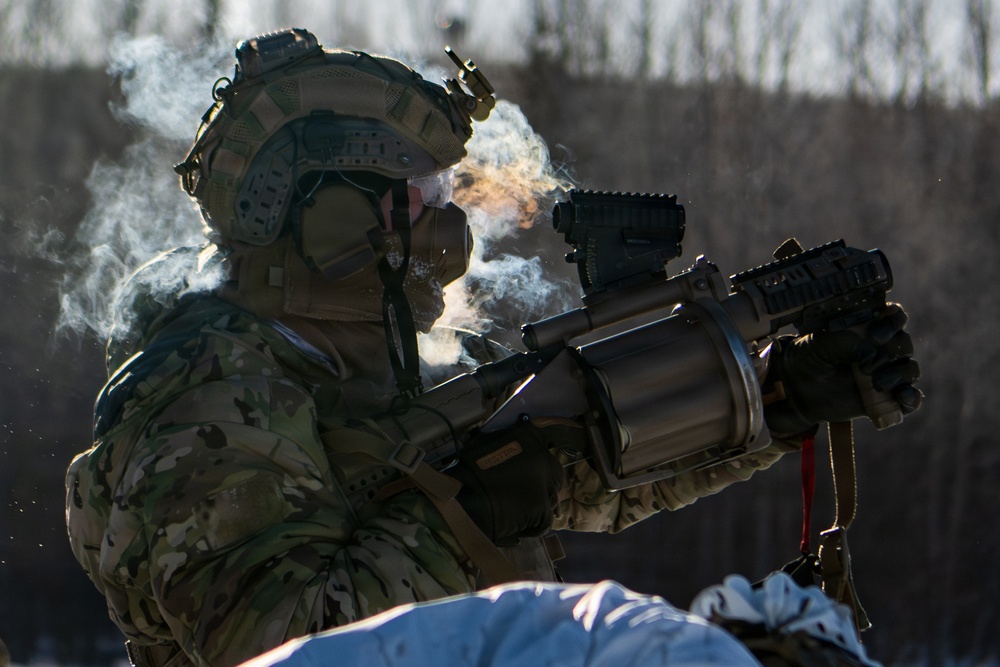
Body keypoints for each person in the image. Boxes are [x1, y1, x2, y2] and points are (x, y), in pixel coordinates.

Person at [65, 28, 921, 667]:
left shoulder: (410, 360)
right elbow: (277, 645)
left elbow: (589, 469)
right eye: (417, 196)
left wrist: (777, 399)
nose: (445, 222)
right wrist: (467, 508)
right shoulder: (208, 390)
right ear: (331, 213)